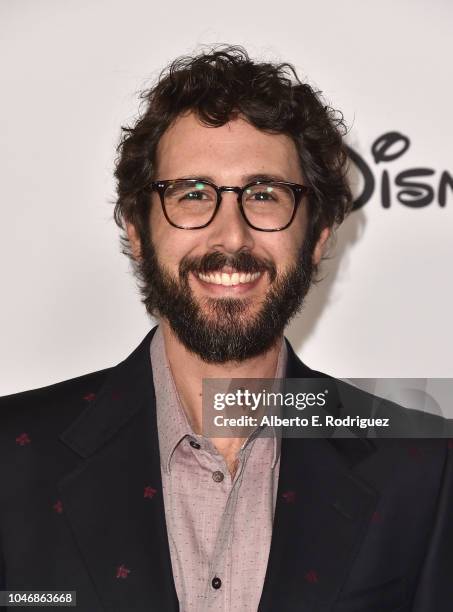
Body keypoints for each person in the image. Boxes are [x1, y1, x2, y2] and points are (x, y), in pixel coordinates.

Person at [0, 46, 452, 612]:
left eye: (265, 195)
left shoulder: (420, 467)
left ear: (316, 238)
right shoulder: (11, 459)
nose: (231, 237)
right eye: (192, 194)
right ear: (138, 230)